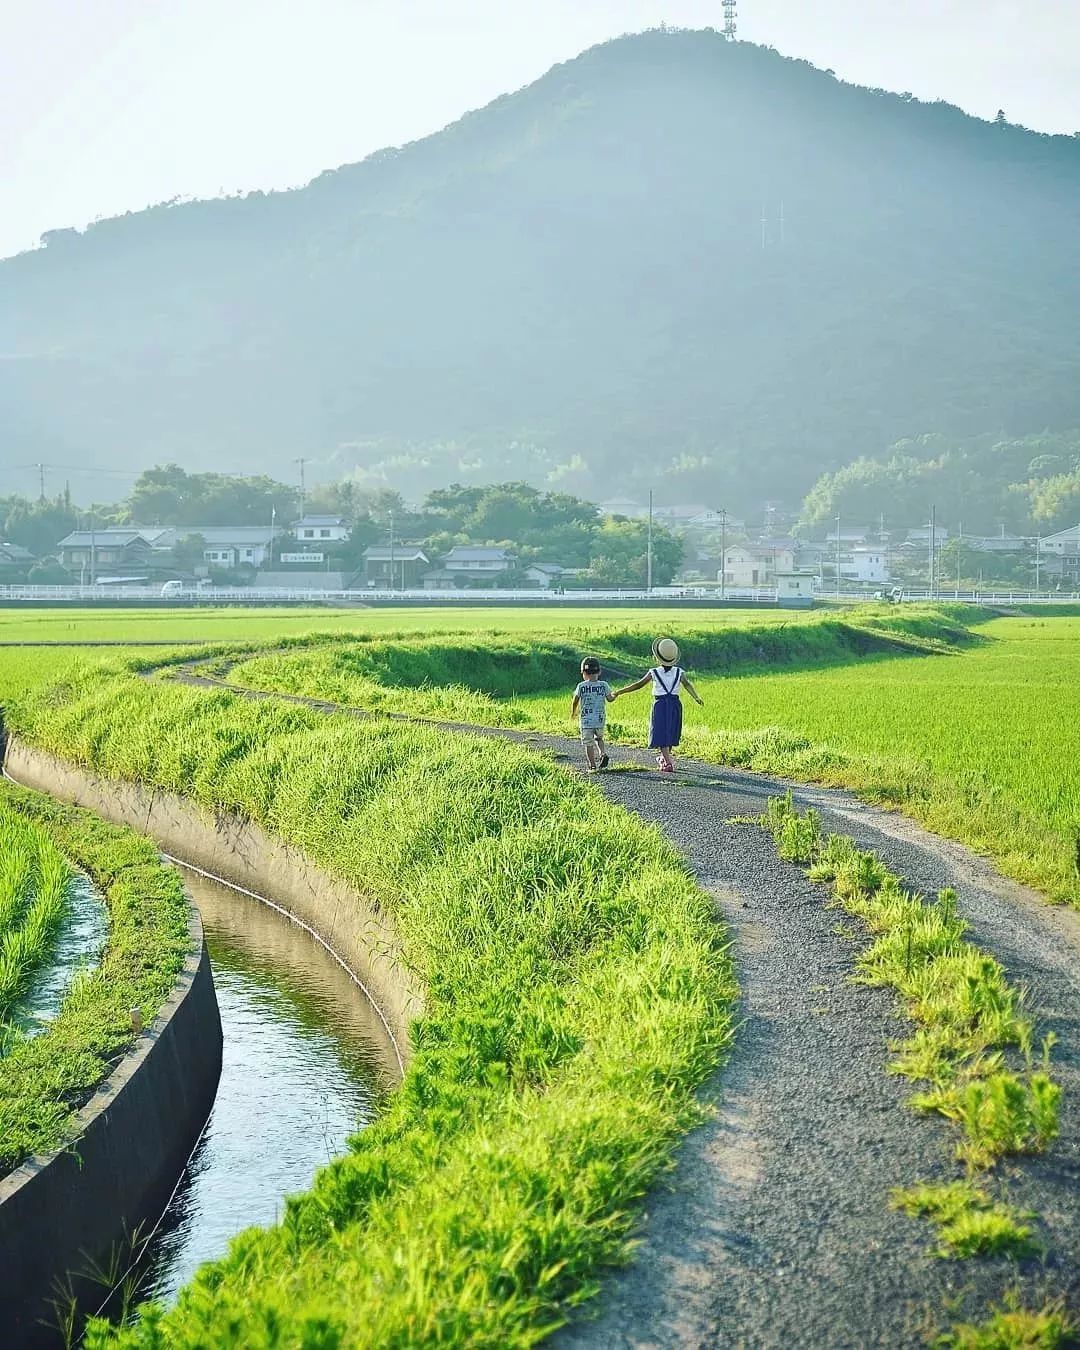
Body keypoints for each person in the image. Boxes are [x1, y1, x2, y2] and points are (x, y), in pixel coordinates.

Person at [616, 637, 703, 773]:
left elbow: (638, 685)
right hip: (675, 704)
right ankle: (664, 758)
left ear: (658, 657)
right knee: (671, 731)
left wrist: (620, 691)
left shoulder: (654, 672)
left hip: (660, 704)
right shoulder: (679, 672)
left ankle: (668, 763)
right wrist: (696, 697)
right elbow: (687, 684)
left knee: (661, 732)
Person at [571, 656, 616, 772]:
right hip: (600, 719)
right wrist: (615, 695)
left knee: (588, 743)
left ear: (583, 673)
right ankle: (602, 753)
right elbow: (610, 699)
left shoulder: (581, 686)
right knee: (599, 738)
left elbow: (575, 700)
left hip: (586, 720)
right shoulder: (604, 685)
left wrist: (573, 712)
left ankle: (592, 765)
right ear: (599, 671)